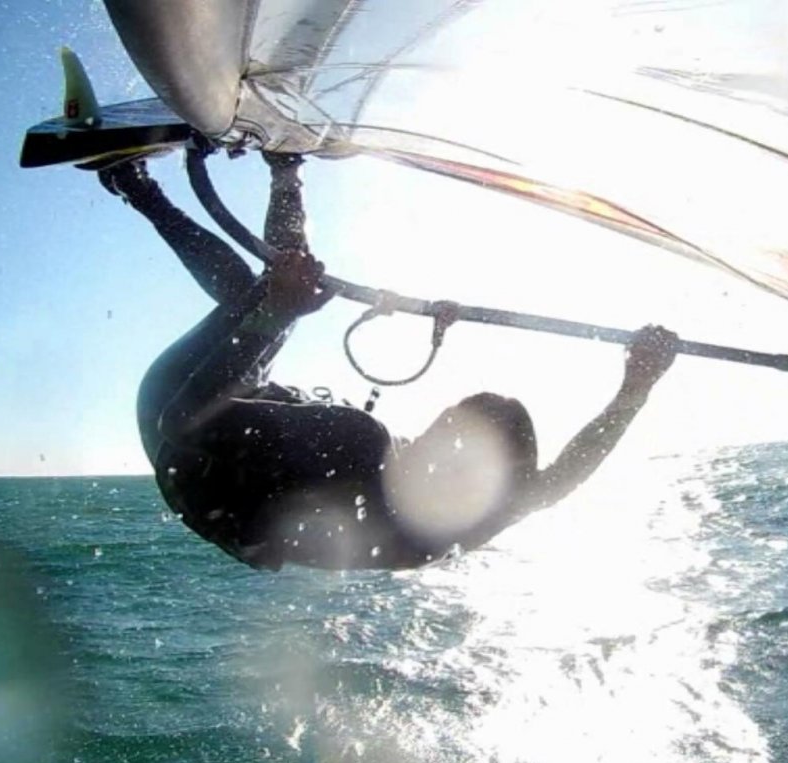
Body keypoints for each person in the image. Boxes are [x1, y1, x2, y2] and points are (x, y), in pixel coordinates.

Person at [100, 152, 678, 571]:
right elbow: (563, 479)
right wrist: (637, 386)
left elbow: (182, 421)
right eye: (444, 419)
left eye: (448, 429)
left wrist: (273, 317)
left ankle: (134, 183)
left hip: (179, 421)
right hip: (227, 482)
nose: (429, 431)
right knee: (275, 292)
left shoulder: (363, 454)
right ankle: (281, 169)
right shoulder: (483, 510)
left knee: (265, 296)